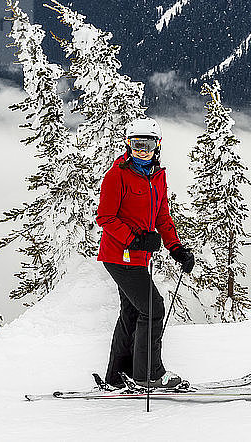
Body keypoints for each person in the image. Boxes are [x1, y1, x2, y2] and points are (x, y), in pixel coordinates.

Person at [96, 117, 195, 389]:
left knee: (132, 311)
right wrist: (135, 240)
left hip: (137, 258)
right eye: (137, 144)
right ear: (128, 144)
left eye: (148, 144)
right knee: (153, 308)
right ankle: (149, 374)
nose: (142, 150)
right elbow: (105, 217)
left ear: (157, 146)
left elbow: (162, 215)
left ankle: (118, 376)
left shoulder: (158, 176)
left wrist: (176, 248)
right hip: (119, 256)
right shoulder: (117, 175)